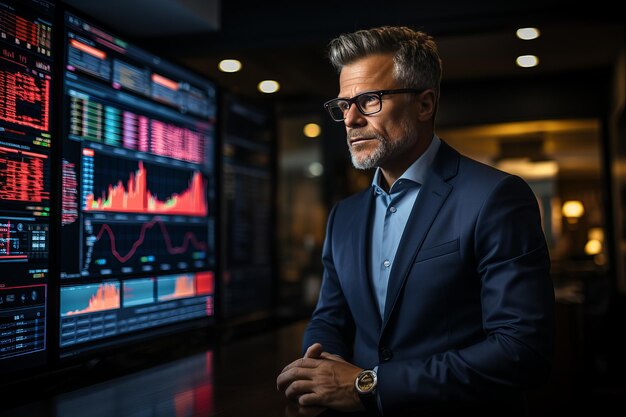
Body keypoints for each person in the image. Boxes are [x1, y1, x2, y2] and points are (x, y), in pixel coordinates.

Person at [276, 26, 555, 416]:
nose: (350, 119)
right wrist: (316, 370)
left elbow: (522, 350)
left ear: (425, 104)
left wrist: (366, 385)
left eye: (369, 100)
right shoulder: (345, 216)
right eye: (343, 105)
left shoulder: (495, 197)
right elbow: (329, 320)